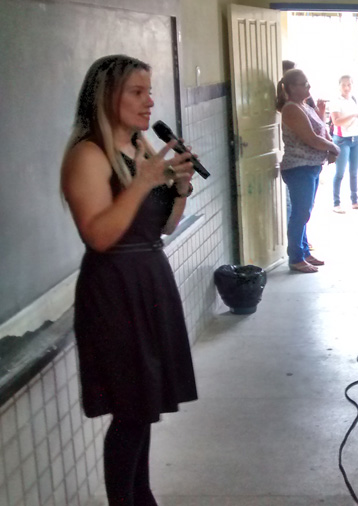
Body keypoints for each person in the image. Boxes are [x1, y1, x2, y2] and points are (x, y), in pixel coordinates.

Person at [61, 55, 199, 506]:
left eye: (149, 91)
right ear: (107, 98)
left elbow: (160, 228)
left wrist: (178, 189)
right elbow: (99, 234)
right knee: (130, 411)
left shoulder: (141, 148)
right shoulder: (88, 154)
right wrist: (142, 184)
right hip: (114, 289)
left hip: (149, 278)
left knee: (144, 407)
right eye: (137, 93)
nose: (150, 102)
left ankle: (143, 497)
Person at [276, 69, 339, 273]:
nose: (308, 87)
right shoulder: (291, 109)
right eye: (304, 84)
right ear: (292, 88)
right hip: (298, 168)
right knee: (300, 213)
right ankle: (295, 258)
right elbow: (310, 138)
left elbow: (321, 129)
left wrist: (329, 145)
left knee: (305, 212)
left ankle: (303, 251)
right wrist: (333, 147)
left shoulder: (305, 106)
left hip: (311, 167)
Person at [329, 75, 358, 213]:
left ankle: (355, 201)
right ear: (339, 86)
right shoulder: (336, 101)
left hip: (356, 139)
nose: (347, 88)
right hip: (342, 140)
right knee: (340, 173)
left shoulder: (354, 99)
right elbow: (336, 121)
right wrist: (354, 115)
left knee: (354, 172)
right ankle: (336, 204)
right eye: (344, 85)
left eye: (349, 85)